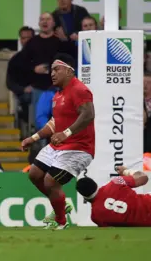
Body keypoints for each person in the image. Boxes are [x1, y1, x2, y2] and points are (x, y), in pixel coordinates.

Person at [21, 53, 95, 230]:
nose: (52, 73)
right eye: (51, 70)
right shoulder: (58, 94)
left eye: (56, 69)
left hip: (79, 148)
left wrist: (67, 133)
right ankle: (60, 207)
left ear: (69, 71)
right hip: (58, 146)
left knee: (50, 182)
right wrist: (34, 138)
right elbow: (55, 123)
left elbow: (89, 114)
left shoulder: (79, 90)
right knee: (34, 174)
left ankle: (61, 221)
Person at [77, 166, 151, 227]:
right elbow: (143, 178)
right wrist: (126, 171)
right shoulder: (115, 183)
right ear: (95, 184)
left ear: (84, 198)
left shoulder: (96, 217)